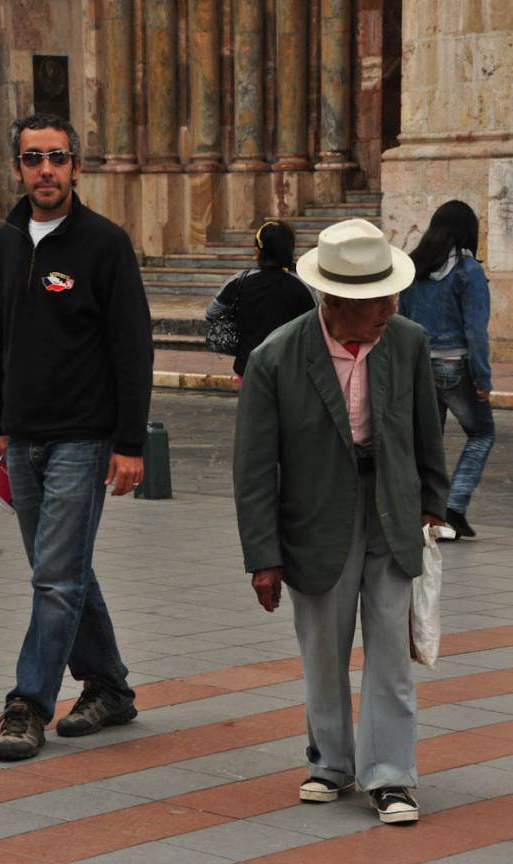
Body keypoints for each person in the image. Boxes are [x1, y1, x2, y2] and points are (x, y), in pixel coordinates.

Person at [233, 219, 448, 825]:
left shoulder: (407, 342)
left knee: (389, 647)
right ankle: (331, 761)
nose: (389, 307)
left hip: (393, 510)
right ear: (335, 300)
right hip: (315, 517)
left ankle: (390, 775)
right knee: (323, 646)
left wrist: (434, 503)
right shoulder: (275, 357)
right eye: (375, 299)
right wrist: (263, 556)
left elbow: (426, 430)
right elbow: (253, 468)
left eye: (390, 293)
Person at [0, 113, 153, 761]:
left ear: (77, 166)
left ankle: (28, 704)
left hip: (84, 437)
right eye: (32, 158)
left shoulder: (104, 244)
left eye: (56, 157)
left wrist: (130, 442)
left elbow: (133, 349)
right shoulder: (6, 241)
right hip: (23, 439)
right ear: (18, 167)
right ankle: (108, 685)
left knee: (55, 577)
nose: (45, 170)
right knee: (62, 570)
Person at [399, 200, 495, 539]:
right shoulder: (468, 272)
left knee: (427, 439)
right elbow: (475, 331)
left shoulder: (415, 267)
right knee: (482, 433)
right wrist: (482, 378)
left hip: (421, 364)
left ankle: (421, 509)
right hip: (456, 366)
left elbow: (403, 322)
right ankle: (453, 506)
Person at [205, 220, 315, 377]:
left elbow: (212, 313)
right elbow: (316, 322)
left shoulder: (239, 281)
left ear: (258, 252)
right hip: (288, 371)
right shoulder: (302, 285)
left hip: (249, 367)